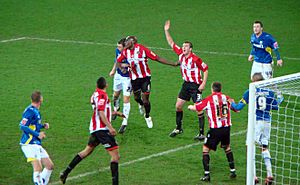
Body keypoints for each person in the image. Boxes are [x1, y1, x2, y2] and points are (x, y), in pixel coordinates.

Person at [60, 77, 120, 185]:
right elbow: (101, 113)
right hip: (102, 129)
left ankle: (65, 173)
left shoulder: (94, 95)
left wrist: (114, 113)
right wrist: (110, 127)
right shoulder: (103, 95)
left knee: (86, 151)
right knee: (115, 156)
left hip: (95, 129)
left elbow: (99, 110)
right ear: (105, 85)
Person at [230, 73, 282, 185]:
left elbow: (238, 107)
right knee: (264, 147)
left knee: (251, 146)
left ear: (253, 81)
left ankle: (253, 176)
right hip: (267, 122)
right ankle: (269, 174)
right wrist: (279, 96)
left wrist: (231, 103)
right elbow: (276, 106)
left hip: (256, 123)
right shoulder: (270, 93)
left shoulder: (250, 91)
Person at [116, 36, 178, 128]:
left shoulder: (142, 49)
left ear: (132, 42)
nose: (125, 43)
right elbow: (118, 61)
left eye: (127, 41)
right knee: (137, 98)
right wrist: (122, 68)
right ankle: (140, 104)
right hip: (134, 79)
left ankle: (147, 116)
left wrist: (173, 64)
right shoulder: (125, 52)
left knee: (146, 100)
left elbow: (157, 58)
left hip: (145, 78)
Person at [164, 20, 209, 140]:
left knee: (199, 109)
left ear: (191, 49)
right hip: (186, 85)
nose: (183, 48)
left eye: (186, 46)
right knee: (178, 106)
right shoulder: (180, 55)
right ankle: (178, 128)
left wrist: (203, 83)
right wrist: (166, 30)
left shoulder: (196, 59)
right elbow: (171, 43)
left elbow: (205, 69)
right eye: (183, 46)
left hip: (195, 86)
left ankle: (201, 133)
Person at [188, 82, 236, 182]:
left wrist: (190, 107)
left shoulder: (209, 99)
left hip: (215, 130)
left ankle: (207, 175)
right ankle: (233, 171)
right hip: (226, 128)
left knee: (205, 149)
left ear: (212, 89)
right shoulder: (226, 98)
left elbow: (197, 107)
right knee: (227, 147)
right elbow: (236, 109)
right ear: (220, 89)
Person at [19, 90, 54, 185]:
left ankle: (40, 182)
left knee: (49, 166)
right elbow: (22, 126)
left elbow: (32, 125)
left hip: (36, 143)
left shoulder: (35, 111)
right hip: (29, 144)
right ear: (41, 100)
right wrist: (37, 134)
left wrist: (43, 126)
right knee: (38, 168)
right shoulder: (30, 111)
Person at [109, 38, 132, 134]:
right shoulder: (117, 51)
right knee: (115, 96)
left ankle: (125, 121)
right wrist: (113, 70)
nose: (118, 48)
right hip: (118, 76)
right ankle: (115, 109)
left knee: (126, 99)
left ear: (125, 47)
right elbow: (117, 61)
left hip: (127, 78)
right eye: (117, 46)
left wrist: (125, 66)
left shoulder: (130, 53)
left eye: (119, 46)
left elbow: (132, 64)